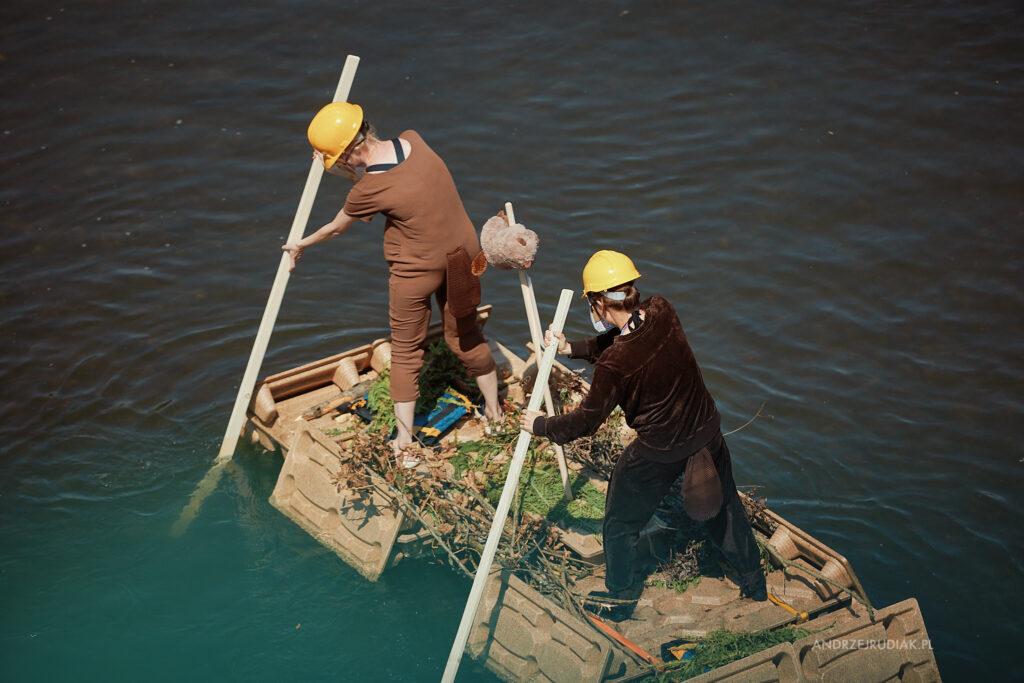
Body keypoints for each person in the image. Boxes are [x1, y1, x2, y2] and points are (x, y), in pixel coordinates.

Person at [520, 250, 767, 621]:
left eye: (592, 301)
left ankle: (620, 599)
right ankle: (755, 584)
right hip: (707, 432)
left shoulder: (614, 366)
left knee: (621, 522)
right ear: (631, 290)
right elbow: (626, 339)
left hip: (660, 450)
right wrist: (572, 348)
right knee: (726, 507)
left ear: (600, 302)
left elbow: (585, 423)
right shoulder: (662, 311)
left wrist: (539, 425)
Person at [283, 102, 502, 466]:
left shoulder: (366, 190)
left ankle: (403, 444)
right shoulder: (415, 141)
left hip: (417, 269)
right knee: (464, 333)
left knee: (405, 349)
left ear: (348, 153)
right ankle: (495, 413)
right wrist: (342, 163)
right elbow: (389, 181)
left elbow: (339, 224)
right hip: (465, 254)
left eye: (337, 160)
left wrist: (301, 245)